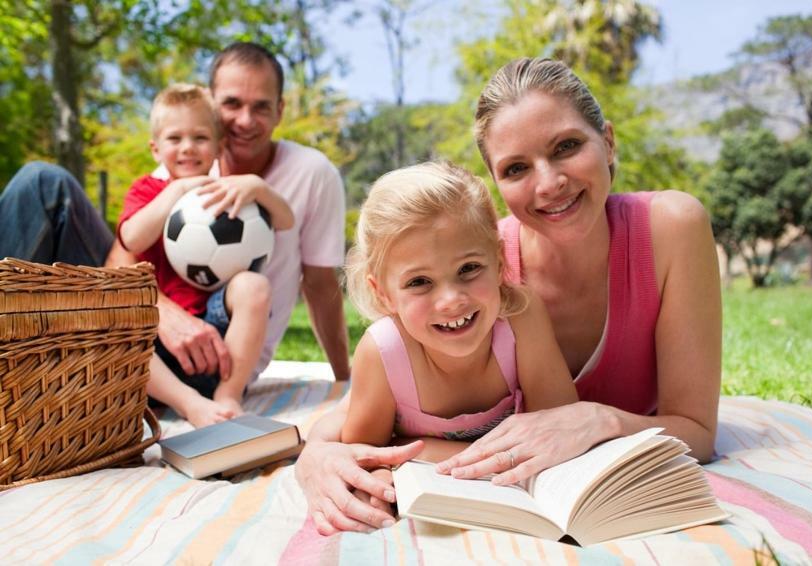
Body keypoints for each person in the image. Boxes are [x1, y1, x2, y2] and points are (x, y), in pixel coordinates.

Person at [295, 56, 721, 535]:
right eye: (516, 167)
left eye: (567, 146)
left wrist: (595, 419)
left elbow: (698, 432)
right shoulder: (474, 267)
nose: (548, 182)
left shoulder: (670, 229)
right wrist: (315, 456)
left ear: (608, 141)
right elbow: (384, 388)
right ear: (496, 183)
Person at [0, 41, 351, 391]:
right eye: (231, 103)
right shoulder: (185, 163)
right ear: (212, 103)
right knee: (43, 183)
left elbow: (320, 285)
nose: (245, 120)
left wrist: (343, 380)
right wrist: (163, 312)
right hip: (143, 320)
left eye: (260, 107)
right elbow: (121, 257)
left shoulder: (311, 173)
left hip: (223, 350)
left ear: (279, 110)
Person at [341, 162, 577, 480]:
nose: (451, 300)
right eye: (419, 282)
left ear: (498, 261)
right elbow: (364, 459)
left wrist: (415, 448)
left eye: (468, 268)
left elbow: (563, 427)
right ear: (382, 293)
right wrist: (470, 459)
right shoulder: (384, 352)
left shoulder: (520, 318)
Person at [118, 83, 294, 427]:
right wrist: (177, 191)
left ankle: (228, 396)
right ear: (155, 149)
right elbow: (131, 237)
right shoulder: (146, 190)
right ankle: (190, 405)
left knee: (253, 285)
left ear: (218, 147)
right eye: (174, 139)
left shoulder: (227, 191)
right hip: (154, 355)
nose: (187, 148)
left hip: (218, 341)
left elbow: (285, 220)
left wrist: (257, 187)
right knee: (119, 316)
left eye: (200, 138)